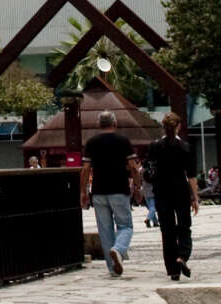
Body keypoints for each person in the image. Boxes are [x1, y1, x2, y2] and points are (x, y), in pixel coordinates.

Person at [80, 112, 137, 278]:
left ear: (99, 124)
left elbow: (85, 169)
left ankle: (112, 268)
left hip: (99, 190)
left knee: (105, 231)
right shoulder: (123, 141)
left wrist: (83, 191)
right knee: (125, 225)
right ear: (115, 123)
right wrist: (138, 185)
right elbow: (133, 166)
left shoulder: (92, 142)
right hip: (119, 189)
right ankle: (118, 249)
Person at [145, 112, 198, 281]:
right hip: (180, 190)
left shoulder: (155, 146)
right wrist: (195, 197)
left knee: (167, 230)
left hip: (161, 191)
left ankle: (173, 269)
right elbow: (191, 175)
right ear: (178, 127)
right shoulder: (185, 147)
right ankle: (182, 256)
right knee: (184, 226)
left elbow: (148, 169)